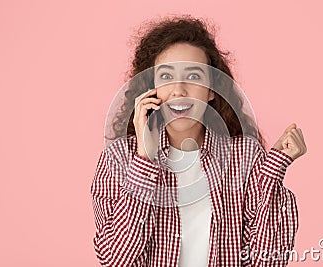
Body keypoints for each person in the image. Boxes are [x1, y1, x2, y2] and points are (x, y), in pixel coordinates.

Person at [91, 15, 307, 267]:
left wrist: (274, 168)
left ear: (212, 89)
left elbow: (266, 260)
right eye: (166, 77)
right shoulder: (119, 158)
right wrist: (144, 159)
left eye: (193, 77)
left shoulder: (245, 155)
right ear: (150, 90)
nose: (179, 89)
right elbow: (115, 259)